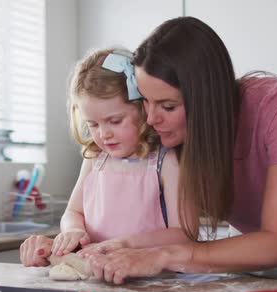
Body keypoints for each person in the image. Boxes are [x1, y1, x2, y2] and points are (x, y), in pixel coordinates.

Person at [82, 17, 277, 284]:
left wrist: (165, 255)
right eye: (145, 101)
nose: (152, 117)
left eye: (168, 106)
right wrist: (121, 245)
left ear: (206, 100)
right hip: (244, 253)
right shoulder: (171, 132)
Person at [19, 48, 189, 267]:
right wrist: (74, 230)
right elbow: (73, 211)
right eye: (93, 124)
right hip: (99, 277)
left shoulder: (165, 161)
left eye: (115, 121)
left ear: (142, 109)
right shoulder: (95, 159)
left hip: (152, 280)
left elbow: (183, 234)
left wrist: (125, 244)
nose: (103, 134)